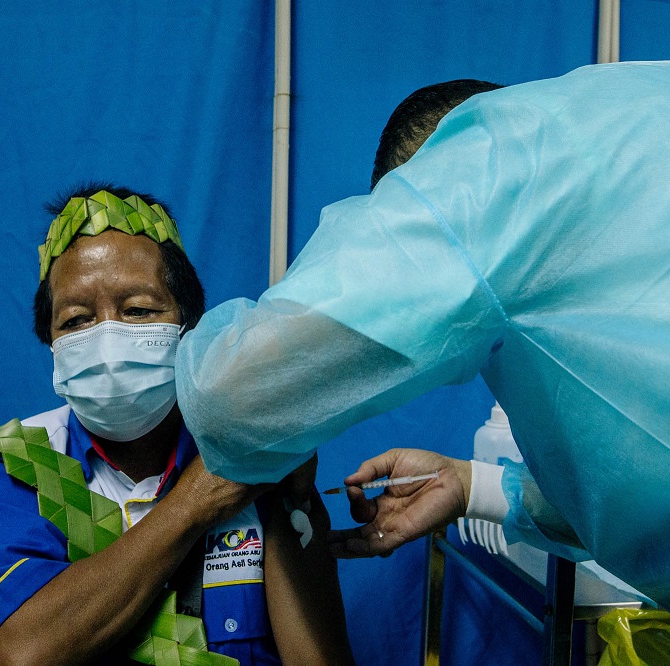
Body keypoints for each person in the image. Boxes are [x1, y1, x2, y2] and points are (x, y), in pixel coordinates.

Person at [173, 62, 670, 608]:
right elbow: (641, 468)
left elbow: (232, 400)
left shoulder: (486, 168)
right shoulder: (634, 103)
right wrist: (470, 485)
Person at [0, 185, 354, 665]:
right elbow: (21, 654)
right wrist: (194, 503)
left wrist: (294, 498)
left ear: (189, 325)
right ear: (49, 342)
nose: (107, 336)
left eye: (138, 310)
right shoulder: (11, 467)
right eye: (76, 320)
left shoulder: (251, 446)